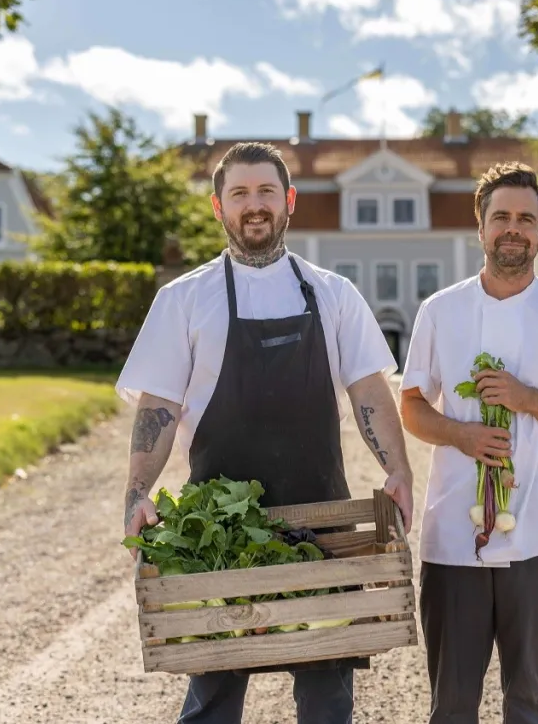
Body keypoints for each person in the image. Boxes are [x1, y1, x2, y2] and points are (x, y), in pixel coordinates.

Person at [114, 141, 416, 724]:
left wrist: (397, 471)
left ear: (290, 201)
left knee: (327, 694)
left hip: (320, 520)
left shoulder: (333, 294)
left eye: (266, 192)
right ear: (217, 207)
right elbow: (159, 408)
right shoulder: (183, 300)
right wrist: (135, 492)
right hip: (219, 531)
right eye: (240, 193)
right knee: (214, 692)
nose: (254, 205)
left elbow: (370, 392)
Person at [398, 162, 538, 723]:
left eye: (526, 218)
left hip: (537, 540)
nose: (513, 228)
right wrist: (462, 435)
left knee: (528, 703)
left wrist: (528, 399)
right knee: (451, 706)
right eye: (501, 217)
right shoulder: (439, 311)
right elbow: (412, 408)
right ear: (480, 227)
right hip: (452, 539)